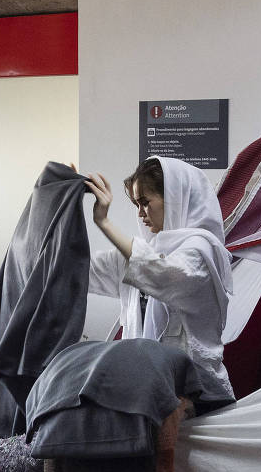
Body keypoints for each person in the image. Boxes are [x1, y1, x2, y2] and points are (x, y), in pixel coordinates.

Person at [82, 156, 235, 400]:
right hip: (150, 394)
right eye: (136, 205)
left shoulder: (202, 253)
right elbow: (83, 270)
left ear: (174, 199)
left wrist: (104, 221)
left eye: (145, 202)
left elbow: (163, 274)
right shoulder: (147, 251)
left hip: (198, 397)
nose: (141, 213)